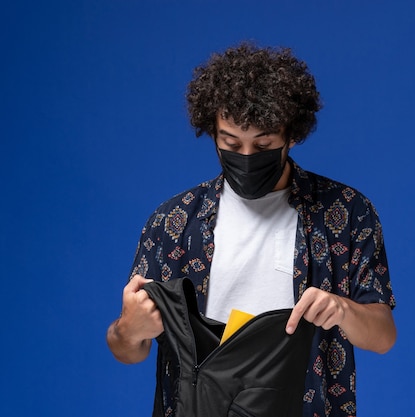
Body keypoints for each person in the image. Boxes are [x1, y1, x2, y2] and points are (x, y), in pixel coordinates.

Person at [106, 42, 397, 417]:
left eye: (263, 145)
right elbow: (126, 350)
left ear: (292, 135)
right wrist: (129, 328)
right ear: (211, 132)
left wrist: (343, 310)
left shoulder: (344, 212)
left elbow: (384, 336)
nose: (245, 157)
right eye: (230, 143)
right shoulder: (173, 222)